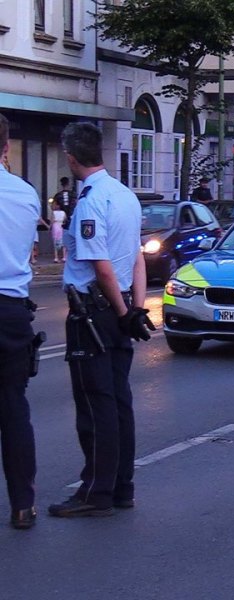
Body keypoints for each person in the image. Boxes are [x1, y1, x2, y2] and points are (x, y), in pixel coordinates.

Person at [49, 122, 155, 519]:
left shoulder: (92, 201)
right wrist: (134, 309)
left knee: (96, 406)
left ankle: (96, 492)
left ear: (70, 157)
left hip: (92, 312)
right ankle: (121, 486)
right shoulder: (125, 195)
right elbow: (137, 257)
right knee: (119, 401)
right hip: (119, 307)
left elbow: (102, 266)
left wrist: (125, 312)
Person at [0, 112, 41, 530]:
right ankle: (22, 505)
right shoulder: (26, 194)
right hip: (11, 311)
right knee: (13, 407)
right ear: (6, 148)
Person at [50, 198, 67, 262]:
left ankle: (56, 257)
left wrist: (49, 227)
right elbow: (65, 219)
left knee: (55, 241)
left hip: (55, 226)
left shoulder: (53, 212)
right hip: (61, 226)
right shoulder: (63, 212)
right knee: (63, 241)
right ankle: (64, 256)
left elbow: (52, 221)